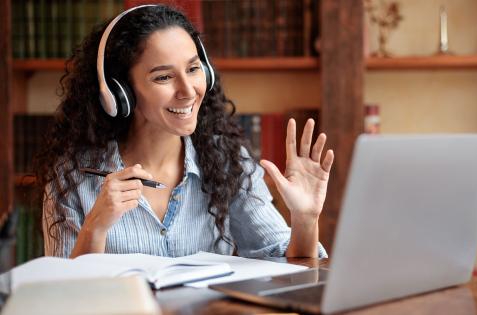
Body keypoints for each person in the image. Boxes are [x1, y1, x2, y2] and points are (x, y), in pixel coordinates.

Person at [34, 5, 334, 259]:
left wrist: (305, 220)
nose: (188, 91)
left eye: (193, 69)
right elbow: (68, 295)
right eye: (164, 77)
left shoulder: (226, 160)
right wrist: (95, 228)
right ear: (119, 92)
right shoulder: (73, 176)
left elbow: (288, 265)